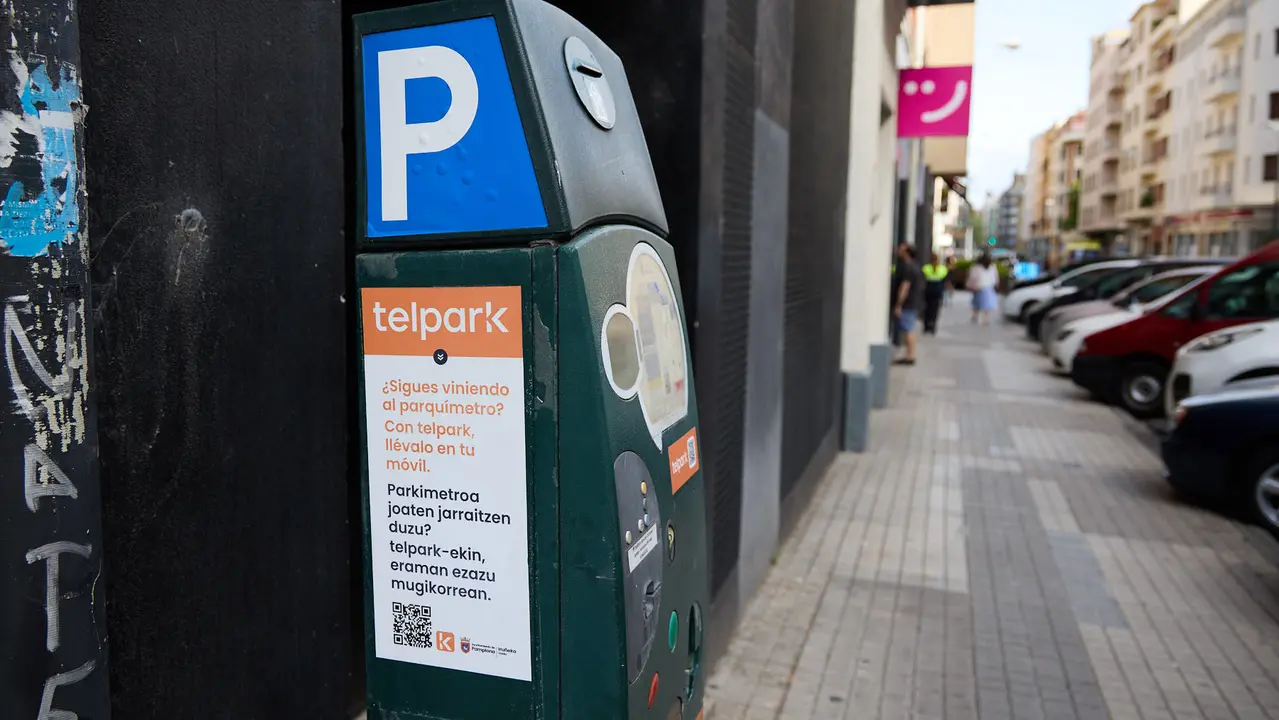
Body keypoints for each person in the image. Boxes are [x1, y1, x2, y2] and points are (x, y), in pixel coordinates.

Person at [892, 244, 925, 365]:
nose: (898, 250)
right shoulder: (915, 267)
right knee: (909, 328)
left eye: (901, 249)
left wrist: (898, 304)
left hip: (908, 303)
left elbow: (904, 287)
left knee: (908, 329)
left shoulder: (908, 268)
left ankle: (910, 356)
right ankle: (910, 355)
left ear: (907, 253)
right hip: (913, 302)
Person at [967, 252, 1000, 326]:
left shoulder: (976, 267)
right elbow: (995, 277)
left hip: (978, 287)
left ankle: (975, 316)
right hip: (988, 287)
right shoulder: (992, 267)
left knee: (977, 302)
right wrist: (996, 284)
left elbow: (972, 277)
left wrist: (970, 285)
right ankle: (985, 318)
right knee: (986, 304)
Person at [921, 252, 949, 334]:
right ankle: (933, 326)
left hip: (928, 290)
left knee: (927, 308)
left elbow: (923, 277)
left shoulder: (926, 268)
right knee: (935, 309)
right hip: (938, 290)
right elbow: (946, 280)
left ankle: (926, 326)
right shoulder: (943, 269)